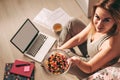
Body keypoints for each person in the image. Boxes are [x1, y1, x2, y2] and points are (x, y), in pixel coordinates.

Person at [57, 0, 120, 74]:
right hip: (90, 52)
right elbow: (79, 38)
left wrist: (78, 61)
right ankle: (57, 50)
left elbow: (90, 68)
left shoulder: (111, 45)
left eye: (106, 20)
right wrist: (60, 49)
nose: (99, 25)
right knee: (72, 22)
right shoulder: (96, 23)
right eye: (97, 17)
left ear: (116, 21)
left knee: (64, 55)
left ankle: (58, 59)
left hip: (91, 68)